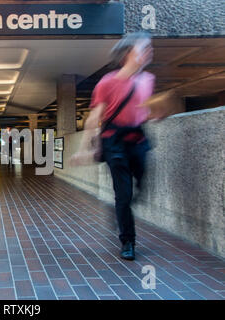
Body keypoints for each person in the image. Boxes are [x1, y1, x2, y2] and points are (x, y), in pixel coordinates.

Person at [70, 32, 155, 261]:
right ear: (129, 53)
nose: (149, 52)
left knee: (142, 185)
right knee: (124, 195)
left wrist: (153, 114)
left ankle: (122, 209)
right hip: (114, 142)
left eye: (149, 48)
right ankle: (128, 241)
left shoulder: (148, 80)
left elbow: (143, 110)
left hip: (137, 140)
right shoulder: (107, 82)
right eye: (143, 48)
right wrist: (83, 148)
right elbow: (93, 117)